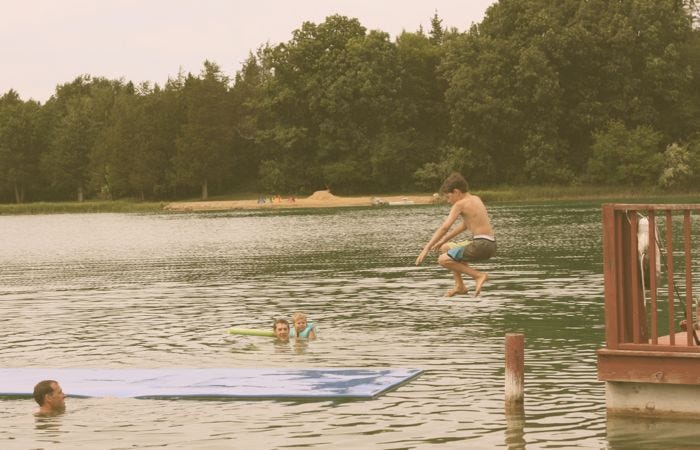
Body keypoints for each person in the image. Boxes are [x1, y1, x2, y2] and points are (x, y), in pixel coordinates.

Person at [415, 173, 496, 297]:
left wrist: (426, 248)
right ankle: (460, 286)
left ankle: (478, 276)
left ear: (457, 192)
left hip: (481, 245)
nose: (449, 201)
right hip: (490, 244)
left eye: (449, 197)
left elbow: (444, 228)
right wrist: (443, 241)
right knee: (446, 248)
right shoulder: (476, 199)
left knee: (443, 260)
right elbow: (464, 225)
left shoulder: (460, 204)